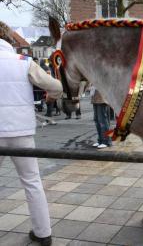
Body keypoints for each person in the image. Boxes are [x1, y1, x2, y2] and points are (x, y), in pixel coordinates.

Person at [0, 21, 63, 245]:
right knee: (31, 182)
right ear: (9, 39)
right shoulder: (24, 62)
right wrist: (51, 98)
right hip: (21, 130)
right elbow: (56, 86)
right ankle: (43, 232)